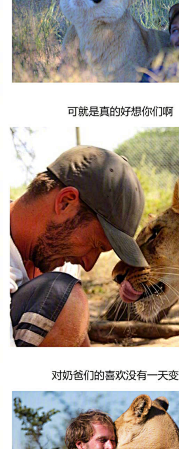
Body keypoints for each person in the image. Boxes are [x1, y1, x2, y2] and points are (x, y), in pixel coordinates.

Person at [10, 145, 146, 348]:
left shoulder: (61, 261)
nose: (89, 265)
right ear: (65, 202)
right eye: (95, 245)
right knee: (63, 296)